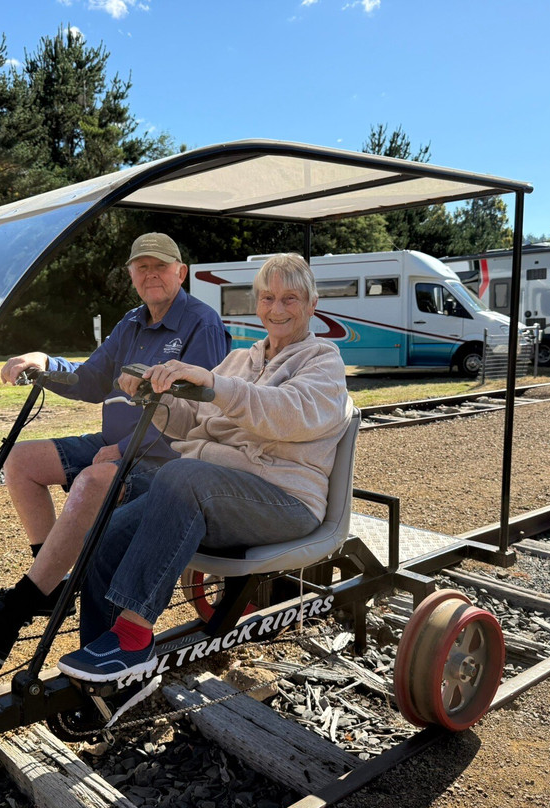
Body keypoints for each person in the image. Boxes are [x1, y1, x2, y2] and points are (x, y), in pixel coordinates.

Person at [0, 233, 230, 669]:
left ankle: (12, 616)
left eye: (161, 266)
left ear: (180, 273)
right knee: (21, 460)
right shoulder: (131, 322)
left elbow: (197, 413)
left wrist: (124, 449)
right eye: (141, 267)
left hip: (167, 460)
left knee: (93, 480)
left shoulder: (201, 323)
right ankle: (48, 586)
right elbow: (90, 379)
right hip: (115, 445)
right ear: (131, 275)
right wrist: (46, 362)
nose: (151, 275)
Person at [54, 252, 353, 682]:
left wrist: (215, 385)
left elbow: (288, 413)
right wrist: (154, 399)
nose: (278, 308)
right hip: (216, 494)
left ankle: (133, 639)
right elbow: (190, 422)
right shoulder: (242, 361)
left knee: (180, 475)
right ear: (257, 303)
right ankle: (101, 678)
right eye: (268, 297)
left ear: (312, 304)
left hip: (284, 500)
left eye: (291, 298)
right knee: (109, 532)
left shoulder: (322, 361)